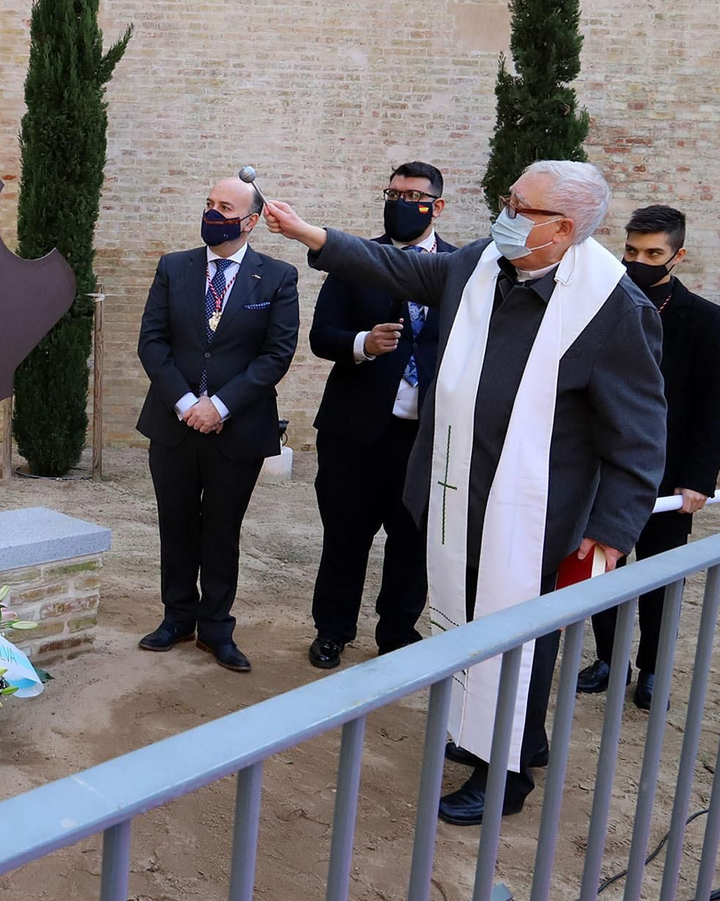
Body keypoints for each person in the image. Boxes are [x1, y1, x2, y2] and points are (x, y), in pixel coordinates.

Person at [263, 160, 665, 825]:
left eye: (520, 207)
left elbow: (639, 433)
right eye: (508, 199)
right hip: (458, 494)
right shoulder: (482, 264)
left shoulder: (613, 309)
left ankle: (505, 772)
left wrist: (613, 529)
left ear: (563, 229)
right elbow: (395, 268)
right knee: (472, 624)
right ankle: (502, 733)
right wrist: (313, 235)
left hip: (535, 516)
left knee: (521, 641)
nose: (504, 214)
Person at [136, 172, 299, 672]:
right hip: (174, 424)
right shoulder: (174, 267)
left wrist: (220, 406)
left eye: (225, 208)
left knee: (223, 530)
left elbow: (276, 355)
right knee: (176, 525)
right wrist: (188, 403)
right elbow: (152, 342)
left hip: (238, 429)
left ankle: (216, 628)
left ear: (250, 221)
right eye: (209, 203)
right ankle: (177, 618)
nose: (213, 213)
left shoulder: (277, 277)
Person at [578, 205, 720, 709]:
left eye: (652, 253)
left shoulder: (706, 320)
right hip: (604, 469)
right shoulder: (601, 305)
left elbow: (714, 407)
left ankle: (651, 670)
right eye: (630, 251)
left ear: (677, 256)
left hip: (669, 476)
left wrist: (698, 479)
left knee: (660, 579)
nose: (638, 262)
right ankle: (609, 659)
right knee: (601, 569)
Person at [307, 162, 455, 669]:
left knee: (412, 541)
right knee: (344, 536)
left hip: (426, 436)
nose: (399, 204)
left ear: (437, 206)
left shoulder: (460, 269)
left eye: (412, 196)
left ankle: (397, 633)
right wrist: (362, 344)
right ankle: (332, 631)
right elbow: (321, 336)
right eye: (392, 195)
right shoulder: (356, 261)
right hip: (355, 431)